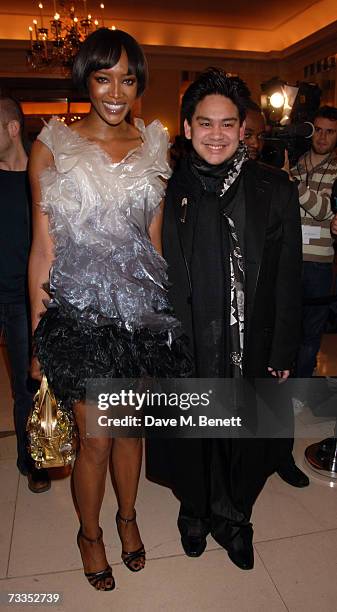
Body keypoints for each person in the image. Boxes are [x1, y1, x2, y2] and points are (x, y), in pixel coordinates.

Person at [28, 28, 190, 592]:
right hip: (79, 316)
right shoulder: (52, 147)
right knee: (95, 438)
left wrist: (167, 318)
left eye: (128, 78)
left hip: (141, 315)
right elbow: (43, 250)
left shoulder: (154, 146)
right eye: (104, 78)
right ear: (86, 82)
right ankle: (90, 533)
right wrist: (37, 344)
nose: (117, 91)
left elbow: (154, 239)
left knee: (130, 434)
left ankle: (128, 518)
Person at [147, 68, 302, 571]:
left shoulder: (274, 189)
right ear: (187, 128)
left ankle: (235, 520)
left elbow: (286, 277)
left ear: (243, 130)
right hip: (185, 339)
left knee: (241, 439)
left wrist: (281, 350)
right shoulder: (161, 191)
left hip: (245, 342)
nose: (217, 134)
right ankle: (193, 514)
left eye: (228, 124)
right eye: (205, 123)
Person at [243, 99, 309, 489]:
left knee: (276, 391)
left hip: (269, 310)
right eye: (245, 133)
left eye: (256, 134)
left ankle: (281, 454)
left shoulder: (277, 182)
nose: (251, 141)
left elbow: (289, 270)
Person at [0, 97, 50, 493]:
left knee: (27, 384)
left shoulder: (43, 174)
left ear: (13, 128)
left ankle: (32, 459)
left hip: (23, 298)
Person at [291, 106, 337, 379]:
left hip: (320, 263)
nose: (322, 137)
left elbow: (325, 210)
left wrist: (293, 185)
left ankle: (300, 389)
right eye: (318, 130)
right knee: (289, 328)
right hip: (291, 258)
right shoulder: (295, 163)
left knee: (311, 331)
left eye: (330, 132)